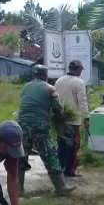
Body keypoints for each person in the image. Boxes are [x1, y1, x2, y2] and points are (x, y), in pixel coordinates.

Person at [17, 65, 77, 195]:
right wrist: (57, 117)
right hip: (39, 126)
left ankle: (18, 189)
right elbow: (59, 110)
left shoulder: (25, 86)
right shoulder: (50, 88)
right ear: (46, 76)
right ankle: (60, 187)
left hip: (21, 125)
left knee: (21, 156)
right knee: (50, 155)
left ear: (33, 75)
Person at [54, 59, 90, 177]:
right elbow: (82, 102)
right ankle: (70, 170)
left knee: (62, 145)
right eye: (80, 69)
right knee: (73, 146)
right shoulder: (79, 82)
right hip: (73, 120)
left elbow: (54, 98)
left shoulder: (59, 81)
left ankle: (61, 166)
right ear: (77, 69)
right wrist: (86, 118)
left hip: (60, 119)